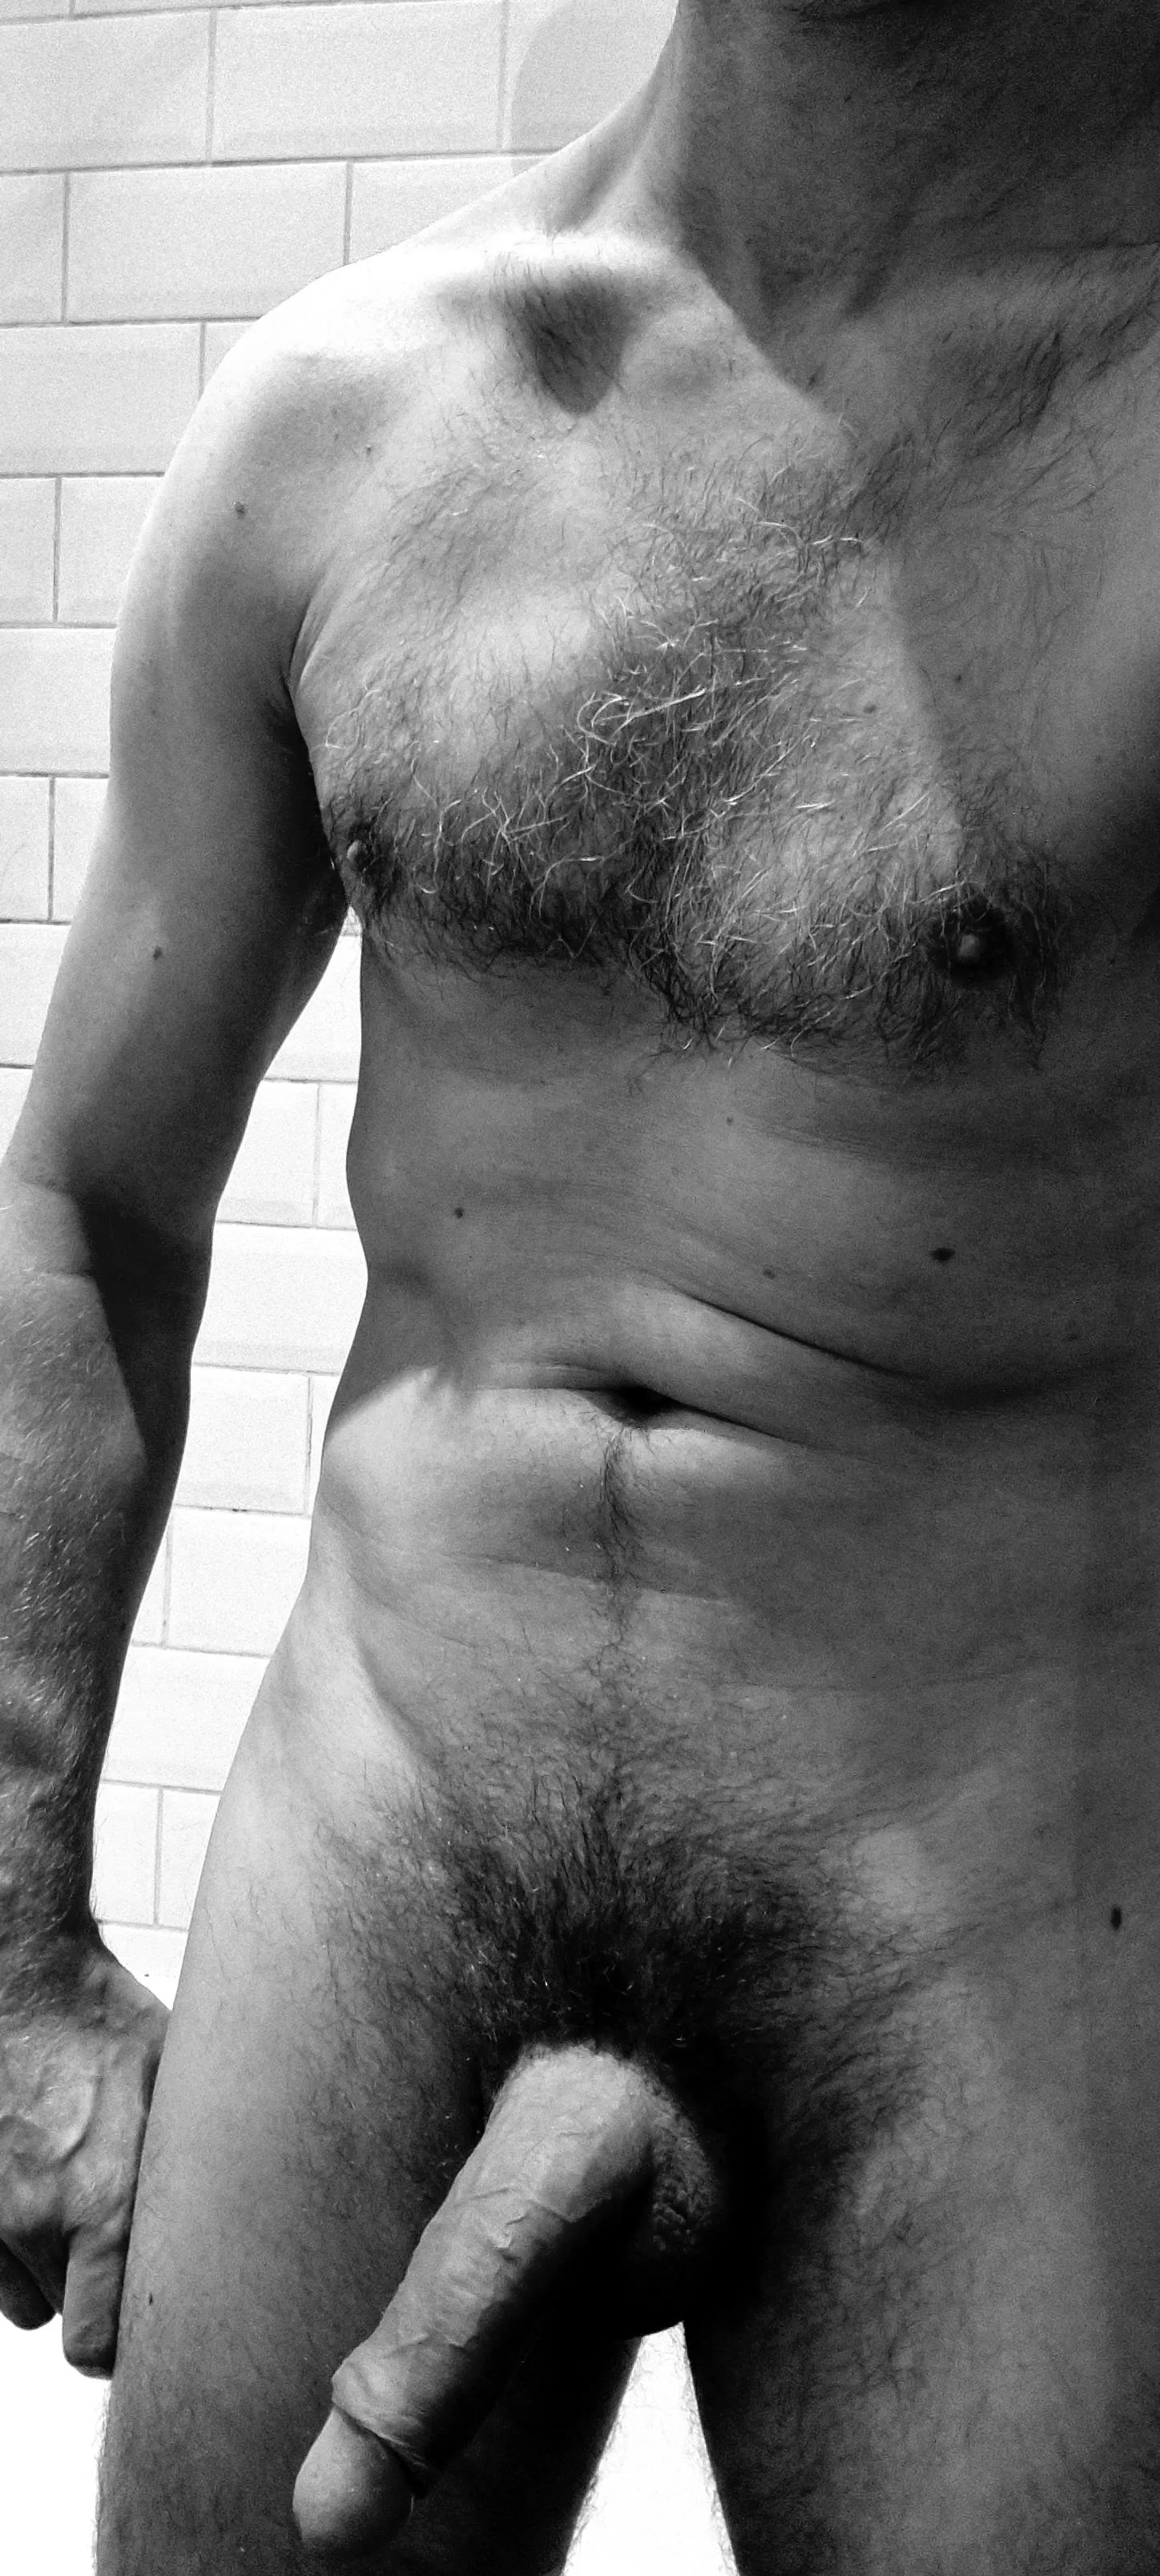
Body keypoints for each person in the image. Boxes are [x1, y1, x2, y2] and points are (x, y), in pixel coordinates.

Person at [3, 0, 1160, 2564]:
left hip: (983, 1944)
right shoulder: (344, 417)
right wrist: (13, 1938)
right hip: (384, 1854)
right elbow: (87, 1199)